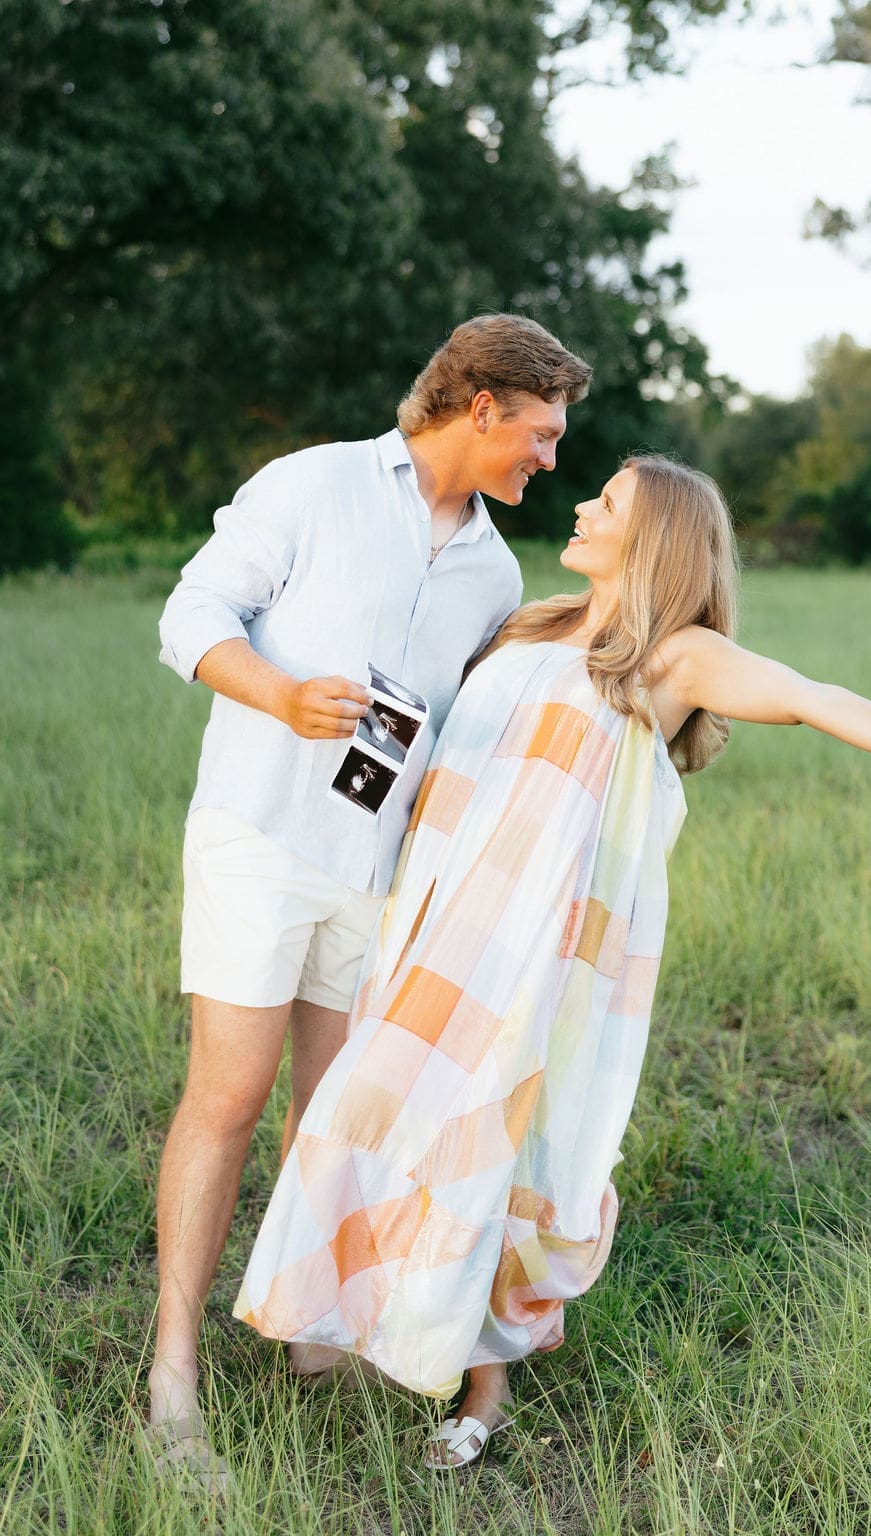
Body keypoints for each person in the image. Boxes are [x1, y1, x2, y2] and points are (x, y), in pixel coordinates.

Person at [235, 455, 871, 1471]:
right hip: (434, 917)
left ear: (654, 542)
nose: (582, 505)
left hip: (535, 941)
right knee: (374, 1102)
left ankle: (486, 1381)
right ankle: (352, 1306)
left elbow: (807, 694)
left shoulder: (670, 658)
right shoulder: (533, 623)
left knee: (498, 1134)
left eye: (607, 503)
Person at [149, 314, 592, 1486]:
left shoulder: (494, 570)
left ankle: (307, 1326)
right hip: (258, 838)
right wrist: (282, 696)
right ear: (484, 405)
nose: (548, 461)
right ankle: (174, 1372)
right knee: (230, 1095)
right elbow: (189, 616)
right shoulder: (315, 484)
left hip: (376, 876)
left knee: (330, 1110)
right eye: (540, 435)